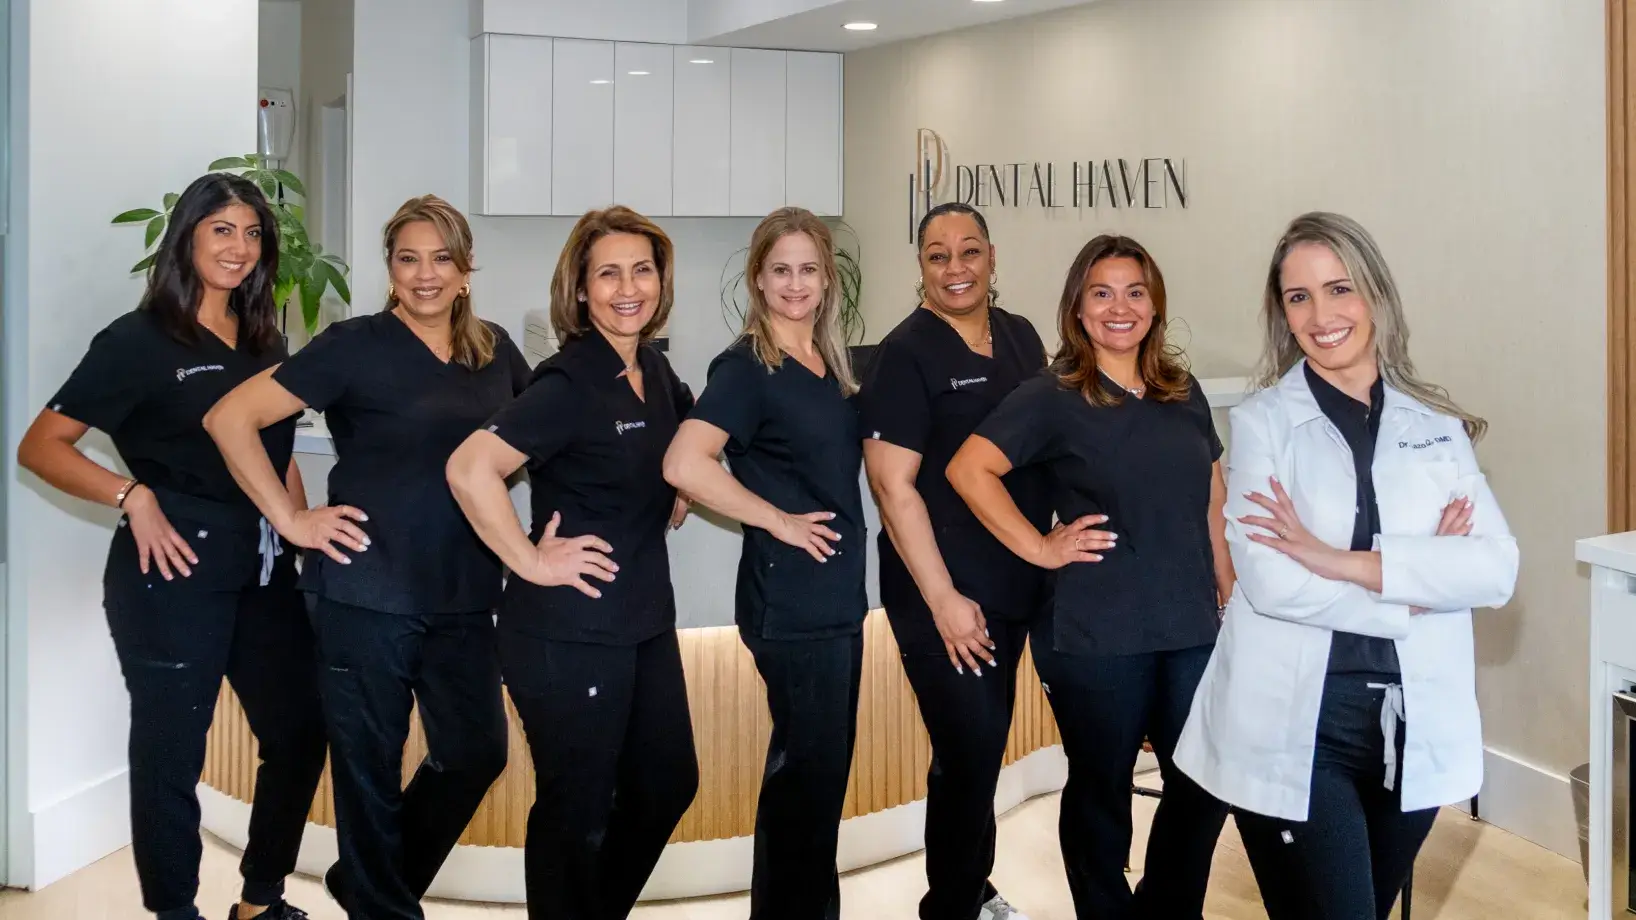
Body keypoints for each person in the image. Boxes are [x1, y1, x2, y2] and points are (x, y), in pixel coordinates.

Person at [1173, 212, 1520, 920]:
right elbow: (1270, 584)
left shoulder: (1436, 427)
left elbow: (1493, 569)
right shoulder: (1264, 422)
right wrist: (1416, 587)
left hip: (1410, 724)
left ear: (1376, 296)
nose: (1322, 315)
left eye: (1339, 289)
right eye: (1298, 297)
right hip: (1297, 725)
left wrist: (1338, 560)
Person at [204, 195, 529, 920]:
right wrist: (291, 517)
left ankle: (370, 888)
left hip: (467, 592)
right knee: (369, 774)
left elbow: (547, 433)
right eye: (408, 258)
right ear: (390, 269)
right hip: (366, 591)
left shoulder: (495, 351)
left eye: (442, 258)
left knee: (476, 753)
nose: (425, 275)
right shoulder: (352, 345)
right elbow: (231, 418)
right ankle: (386, 908)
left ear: (467, 270)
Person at [16, 173, 327, 920]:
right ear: (186, 236)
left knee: (302, 730)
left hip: (262, 568)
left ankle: (259, 899)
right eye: (222, 229)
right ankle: (175, 912)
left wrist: (299, 530)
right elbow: (40, 446)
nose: (240, 247)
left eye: (252, 234)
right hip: (172, 570)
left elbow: (274, 450)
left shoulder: (263, 338)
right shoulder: (137, 340)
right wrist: (133, 494)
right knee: (170, 756)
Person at [946, 234, 1233, 919]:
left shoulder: (1180, 390)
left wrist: (1225, 580)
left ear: (1155, 304)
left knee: (1203, 783)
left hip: (1190, 622)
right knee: (1101, 790)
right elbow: (968, 469)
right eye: (1101, 293)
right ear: (1077, 309)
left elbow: (1213, 488)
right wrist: (1040, 548)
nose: (1119, 307)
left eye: (1135, 291)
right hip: (1099, 629)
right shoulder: (1052, 395)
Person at [445, 205, 698, 920]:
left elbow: (685, 438)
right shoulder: (569, 381)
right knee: (576, 810)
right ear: (580, 290)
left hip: (644, 621)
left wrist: (678, 481)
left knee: (667, 783)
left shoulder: (652, 366)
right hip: (567, 632)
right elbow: (470, 469)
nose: (629, 287)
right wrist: (528, 561)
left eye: (642, 270)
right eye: (608, 273)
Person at [661, 207, 866, 920]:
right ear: (756, 279)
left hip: (835, 599)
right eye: (780, 269)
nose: (795, 283)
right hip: (792, 604)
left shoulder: (828, 361)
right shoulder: (749, 367)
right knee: (805, 788)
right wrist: (775, 519)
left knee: (819, 785)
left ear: (827, 278)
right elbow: (685, 461)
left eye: (808, 269)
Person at [857, 202, 1047, 920]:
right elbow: (891, 485)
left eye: (969, 251)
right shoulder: (905, 354)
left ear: (992, 256)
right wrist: (942, 601)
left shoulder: (1024, 337)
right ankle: (952, 903)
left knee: (981, 749)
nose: (956, 267)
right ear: (921, 268)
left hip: (1015, 582)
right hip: (945, 594)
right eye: (939, 255)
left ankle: (972, 886)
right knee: (968, 751)